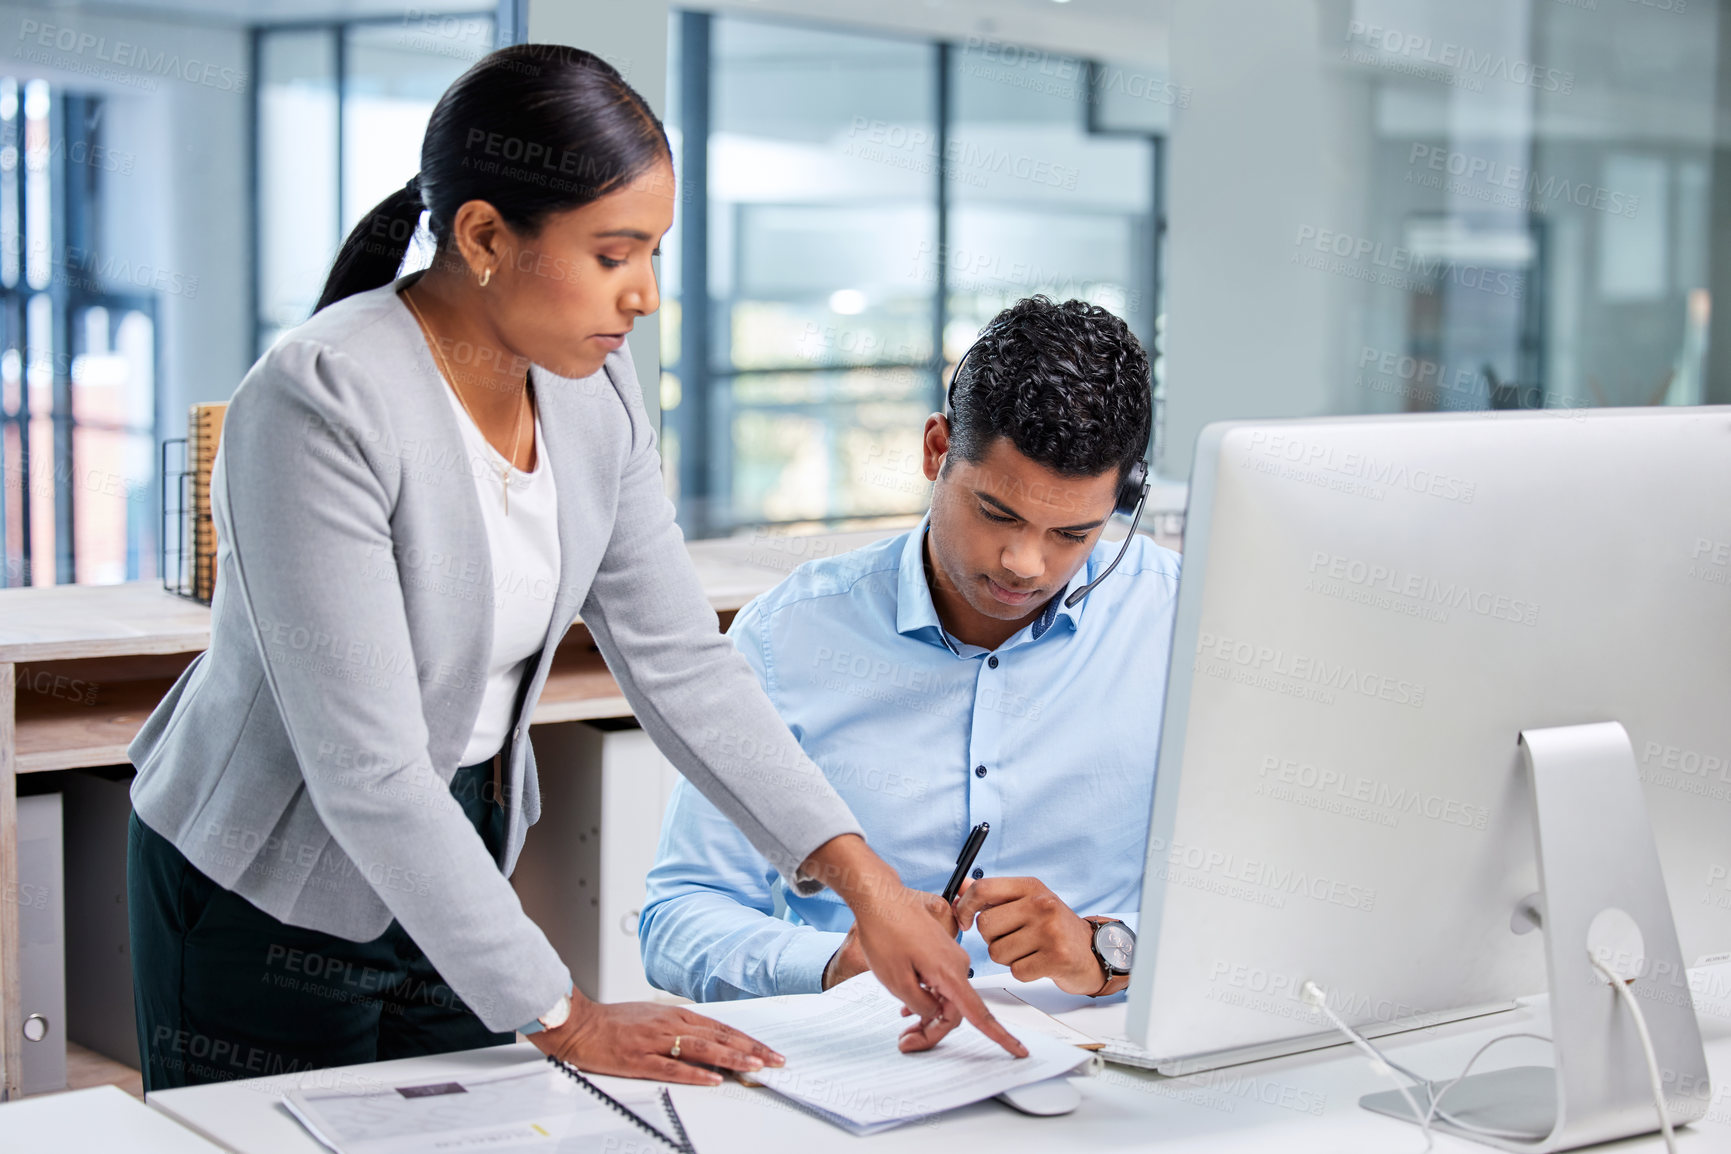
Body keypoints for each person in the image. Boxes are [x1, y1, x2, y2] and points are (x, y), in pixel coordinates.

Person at [125, 43, 1020, 1093]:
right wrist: (568, 1016)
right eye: (614, 253)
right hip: (265, 885)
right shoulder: (322, 398)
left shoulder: (593, 387)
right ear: (485, 236)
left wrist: (864, 880)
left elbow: (682, 659)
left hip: (461, 850)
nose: (643, 295)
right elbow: (367, 769)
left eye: (653, 253)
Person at [638, 296, 1179, 1003]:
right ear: (935, 450)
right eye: (996, 514)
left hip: (1104, 1056)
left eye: (1071, 535)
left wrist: (1110, 949)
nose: (1024, 563)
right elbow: (677, 919)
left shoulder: (1177, 622)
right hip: (875, 1056)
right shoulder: (788, 639)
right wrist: (834, 964)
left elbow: (1259, 901)